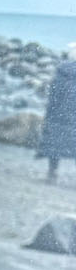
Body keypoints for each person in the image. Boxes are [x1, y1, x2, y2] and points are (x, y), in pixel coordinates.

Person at [39, 45, 76, 180]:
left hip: (58, 116)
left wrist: (49, 115)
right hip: (74, 118)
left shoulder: (60, 75)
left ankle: (52, 173)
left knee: (54, 145)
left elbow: (52, 98)